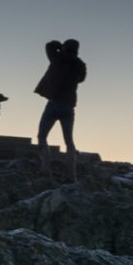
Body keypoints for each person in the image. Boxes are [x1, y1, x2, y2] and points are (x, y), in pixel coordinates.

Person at [34, 38, 86, 182]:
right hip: (69, 107)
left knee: (42, 136)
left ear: (65, 47)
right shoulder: (80, 65)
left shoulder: (57, 58)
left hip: (54, 104)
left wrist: (60, 47)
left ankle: (45, 169)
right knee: (69, 141)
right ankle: (72, 176)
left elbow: (49, 45)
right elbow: (82, 79)